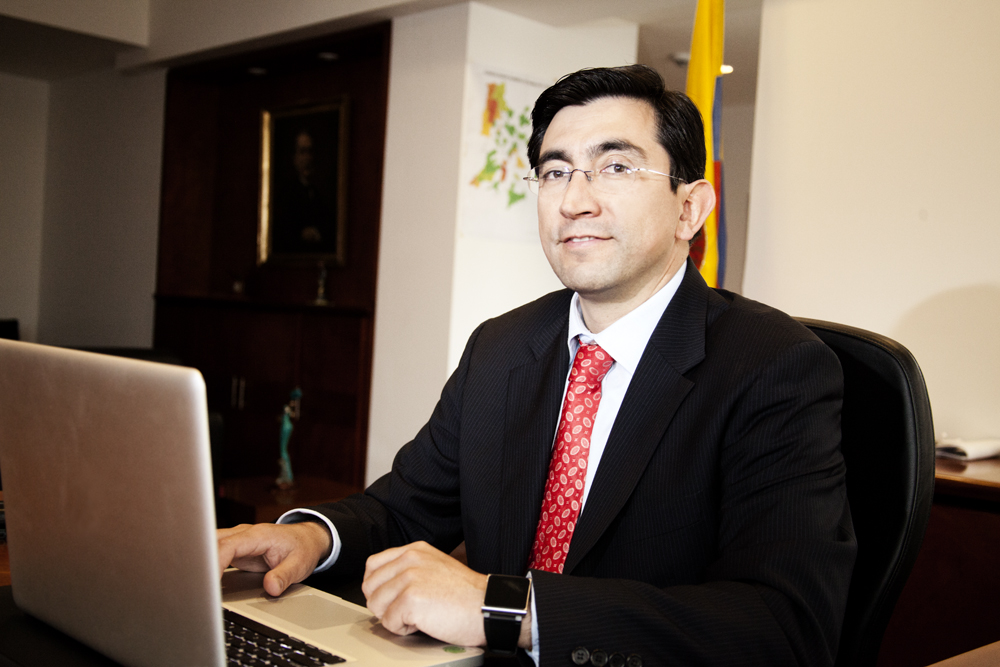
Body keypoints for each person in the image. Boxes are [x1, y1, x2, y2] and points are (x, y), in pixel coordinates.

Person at [218, 65, 855, 666]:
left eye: (614, 166)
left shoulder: (775, 367)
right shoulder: (501, 346)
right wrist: (310, 539)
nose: (575, 200)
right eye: (554, 173)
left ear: (689, 208)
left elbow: (785, 628)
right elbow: (407, 509)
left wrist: (507, 610)